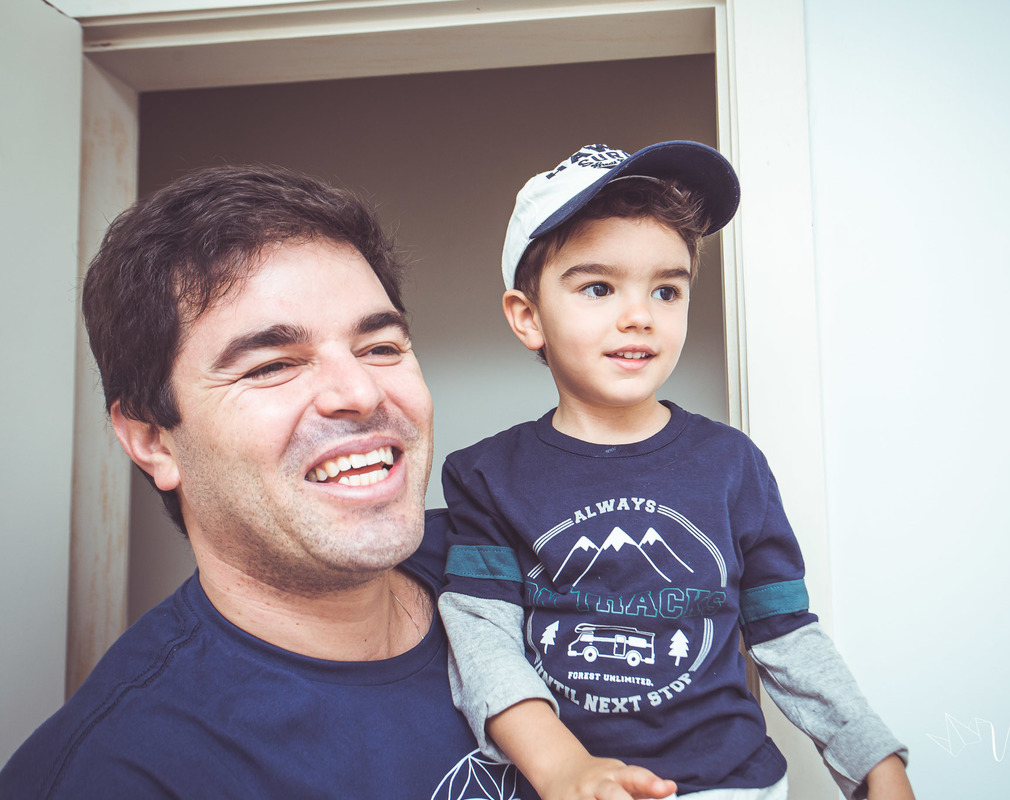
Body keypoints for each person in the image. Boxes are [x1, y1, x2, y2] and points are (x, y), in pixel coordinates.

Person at [0, 165, 523, 800]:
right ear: (152, 440)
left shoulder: (524, 559)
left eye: (381, 347)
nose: (359, 392)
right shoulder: (117, 772)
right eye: (272, 365)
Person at [438, 142, 915, 800]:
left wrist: (874, 760)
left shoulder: (732, 465)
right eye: (599, 287)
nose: (640, 314)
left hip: (732, 786)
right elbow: (481, 637)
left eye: (666, 289)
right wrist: (560, 766)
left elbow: (785, 633)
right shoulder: (488, 475)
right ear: (528, 317)